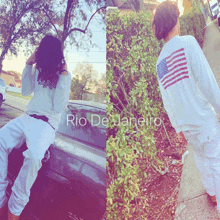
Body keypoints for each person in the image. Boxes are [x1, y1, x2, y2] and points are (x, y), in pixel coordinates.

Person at [152, 0, 220, 216]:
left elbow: (167, 99)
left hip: (188, 126)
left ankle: (211, 193)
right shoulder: (188, 44)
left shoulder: (160, 62)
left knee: (201, 159)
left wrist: (178, 127)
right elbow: (207, 81)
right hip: (203, 119)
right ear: (174, 20)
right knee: (216, 161)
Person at [0, 35, 72, 219]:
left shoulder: (64, 76)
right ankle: (0, 196)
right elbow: (25, 91)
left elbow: (58, 107)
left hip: (46, 125)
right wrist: (27, 64)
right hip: (27, 117)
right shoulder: (39, 70)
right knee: (1, 138)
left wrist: (63, 76)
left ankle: (14, 207)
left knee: (33, 157)